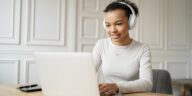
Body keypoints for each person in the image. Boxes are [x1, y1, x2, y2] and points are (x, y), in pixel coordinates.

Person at [93, 0, 153, 96]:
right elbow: (88, 73)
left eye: (119, 24)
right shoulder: (101, 45)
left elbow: (147, 83)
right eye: (108, 25)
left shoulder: (142, 49)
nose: (112, 30)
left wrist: (117, 86)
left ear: (130, 23)